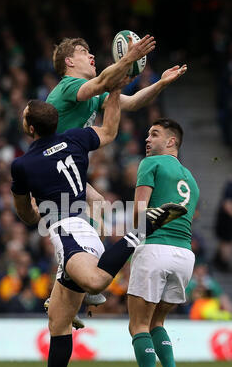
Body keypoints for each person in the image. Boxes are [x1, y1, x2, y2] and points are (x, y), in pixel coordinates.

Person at [11, 96, 186, 367]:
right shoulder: (74, 137)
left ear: (30, 128)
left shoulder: (22, 164)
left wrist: (34, 215)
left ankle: (141, 228)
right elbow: (110, 129)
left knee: (95, 280)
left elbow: (25, 212)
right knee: (59, 323)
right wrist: (115, 91)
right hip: (86, 227)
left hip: (67, 232)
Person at [45, 35, 187, 318]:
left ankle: (70, 287)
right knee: (73, 222)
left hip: (66, 171)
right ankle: (70, 283)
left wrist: (160, 83)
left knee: (96, 204)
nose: (91, 56)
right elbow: (100, 84)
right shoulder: (68, 87)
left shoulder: (92, 93)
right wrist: (127, 60)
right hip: (51, 169)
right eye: (84, 52)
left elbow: (132, 102)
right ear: (69, 62)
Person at [127, 118, 200, 367]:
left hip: (155, 248)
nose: (147, 139)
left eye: (154, 134)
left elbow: (139, 214)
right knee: (158, 321)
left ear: (171, 142)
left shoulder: (151, 163)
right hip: (184, 255)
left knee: (138, 325)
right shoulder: (192, 180)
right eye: (147, 134)